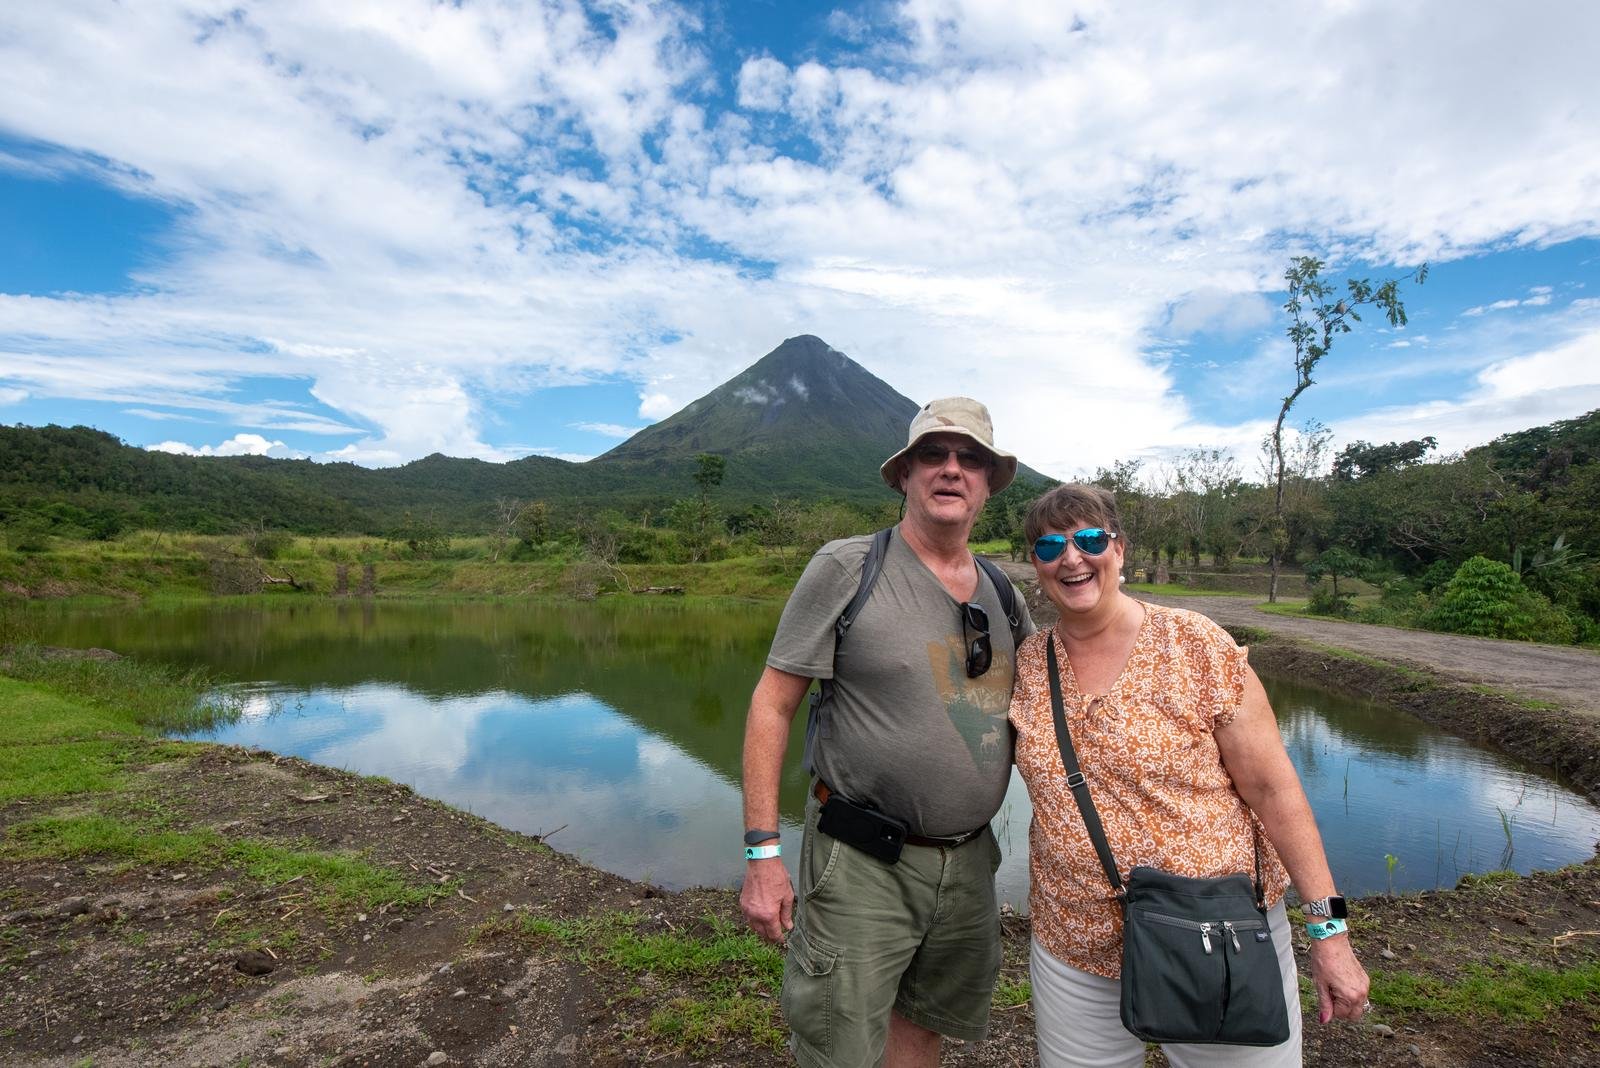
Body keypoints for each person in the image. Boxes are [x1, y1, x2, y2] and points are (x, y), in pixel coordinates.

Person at [1008, 483, 1369, 1068]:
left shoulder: (1195, 644)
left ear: (1119, 551)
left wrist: (1330, 935)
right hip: (1076, 939)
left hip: (1216, 932)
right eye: (1050, 547)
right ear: (1037, 566)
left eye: (1090, 539)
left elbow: (1275, 791)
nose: (1071, 558)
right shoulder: (1028, 661)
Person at [740, 397, 1036, 1068]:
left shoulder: (999, 588)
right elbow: (771, 706)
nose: (952, 469)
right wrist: (762, 855)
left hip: (967, 864)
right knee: (838, 1041)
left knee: (924, 1028)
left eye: (972, 459)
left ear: (989, 483)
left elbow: (1034, 710)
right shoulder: (848, 569)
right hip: (862, 863)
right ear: (904, 475)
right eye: (933, 454)